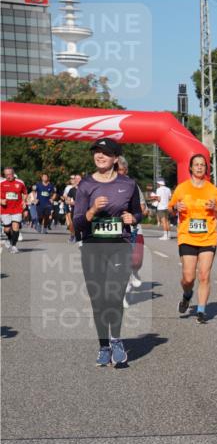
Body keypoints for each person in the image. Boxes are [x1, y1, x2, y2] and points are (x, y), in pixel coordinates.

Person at [72, 138, 142, 367]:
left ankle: (117, 341)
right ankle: (104, 346)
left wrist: (133, 218)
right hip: (92, 247)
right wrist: (92, 210)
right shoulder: (86, 185)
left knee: (114, 296)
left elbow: (137, 213)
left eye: (105, 153)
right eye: (96, 152)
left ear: (115, 158)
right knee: (98, 300)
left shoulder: (128, 184)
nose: (99, 156)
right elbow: (77, 223)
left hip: (120, 246)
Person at [168, 154, 217, 324]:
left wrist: (215, 209)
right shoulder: (182, 188)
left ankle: (201, 311)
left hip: (208, 238)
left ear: (206, 169)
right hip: (187, 237)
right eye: (196, 165)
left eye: (202, 165)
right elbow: (171, 209)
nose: (199, 167)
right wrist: (175, 207)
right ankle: (187, 295)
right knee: (188, 278)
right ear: (191, 168)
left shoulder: (213, 190)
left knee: (204, 275)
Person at [116, 157, 145, 308]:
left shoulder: (132, 186)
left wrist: (134, 216)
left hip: (133, 228)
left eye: (121, 170)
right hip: (113, 230)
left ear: (126, 171)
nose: (119, 173)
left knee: (136, 261)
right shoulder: (104, 185)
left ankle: (134, 273)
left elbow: (142, 209)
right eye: (116, 170)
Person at [1, 167, 28, 253]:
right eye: (6, 175)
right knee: (7, 229)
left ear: (13, 173)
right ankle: (9, 239)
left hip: (17, 208)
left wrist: (24, 201)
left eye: (10, 174)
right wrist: (1, 201)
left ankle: (14, 246)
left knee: (15, 226)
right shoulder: (1, 183)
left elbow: (25, 193)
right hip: (5, 209)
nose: (8, 176)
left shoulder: (20, 183)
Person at [63, 174, 81, 244]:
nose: (78, 180)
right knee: (73, 224)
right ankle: (74, 237)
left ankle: (80, 238)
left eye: (79, 179)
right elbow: (67, 200)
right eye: (76, 179)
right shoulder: (71, 190)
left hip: (83, 209)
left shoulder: (85, 189)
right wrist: (71, 202)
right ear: (75, 180)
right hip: (74, 209)